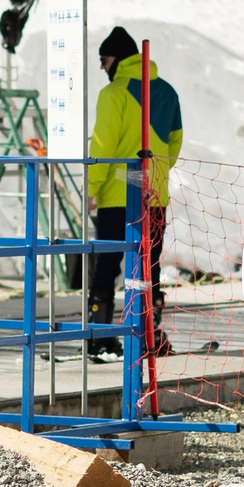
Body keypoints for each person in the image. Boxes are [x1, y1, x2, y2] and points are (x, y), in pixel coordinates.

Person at [83, 27, 183, 362]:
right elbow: (175, 141)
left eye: (104, 59)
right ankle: (148, 336)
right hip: (154, 196)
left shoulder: (113, 93)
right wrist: (157, 175)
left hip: (116, 196)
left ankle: (99, 336)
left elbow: (103, 145)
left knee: (108, 263)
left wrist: (92, 188)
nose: (102, 67)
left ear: (118, 59)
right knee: (148, 266)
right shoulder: (168, 92)